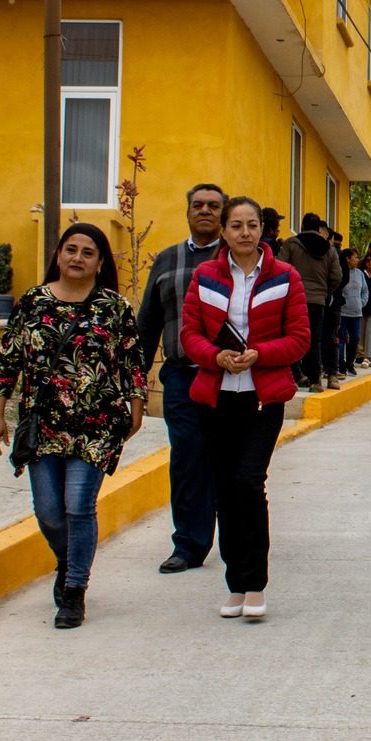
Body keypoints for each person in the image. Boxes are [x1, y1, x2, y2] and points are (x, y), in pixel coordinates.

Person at [0, 222, 146, 630]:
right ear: (58, 255)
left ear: (99, 263)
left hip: (96, 423)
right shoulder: (32, 303)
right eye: (70, 249)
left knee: (78, 505)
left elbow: (131, 358)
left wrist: (137, 404)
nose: (77, 257)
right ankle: (68, 560)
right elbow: (9, 360)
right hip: (44, 423)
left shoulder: (114, 307)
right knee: (49, 512)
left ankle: (74, 590)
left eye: (87, 252)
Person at [180, 195, 312, 620]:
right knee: (224, 489)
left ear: (262, 230)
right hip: (216, 397)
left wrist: (260, 354)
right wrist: (215, 357)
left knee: (248, 483)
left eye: (252, 225)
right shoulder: (204, 276)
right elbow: (190, 333)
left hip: (261, 398)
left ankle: (254, 583)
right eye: (236, 225)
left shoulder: (285, 276)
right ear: (223, 231)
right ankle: (234, 585)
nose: (244, 233)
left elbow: (299, 338)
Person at [136, 183, 226, 574]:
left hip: (231, 379)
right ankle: (188, 544)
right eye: (198, 205)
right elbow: (148, 322)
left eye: (213, 206)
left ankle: (237, 538)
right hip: (181, 377)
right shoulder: (168, 259)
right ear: (187, 212)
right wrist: (134, 379)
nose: (204, 210)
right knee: (187, 459)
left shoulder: (238, 257)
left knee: (230, 461)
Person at [276, 212, 335, 393]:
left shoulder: (291, 244)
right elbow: (337, 276)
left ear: (301, 226)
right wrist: (326, 291)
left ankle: (294, 376)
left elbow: (279, 267)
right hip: (318, 301)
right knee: (314, 339)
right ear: (319, 228)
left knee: (292, 337)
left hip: (294, 299)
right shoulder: (329, 249)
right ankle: (316, 380)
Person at [335, 246, 366, 377]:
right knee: (341, 339)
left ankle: (350, 364)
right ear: (347, 259)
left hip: (356, 313)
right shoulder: (340, 272)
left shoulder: (359, 274)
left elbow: (365, 291)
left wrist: (361, 303)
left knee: (355, 339)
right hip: (343, 312)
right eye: (355, 257)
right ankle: (341, 366)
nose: (357, 260)